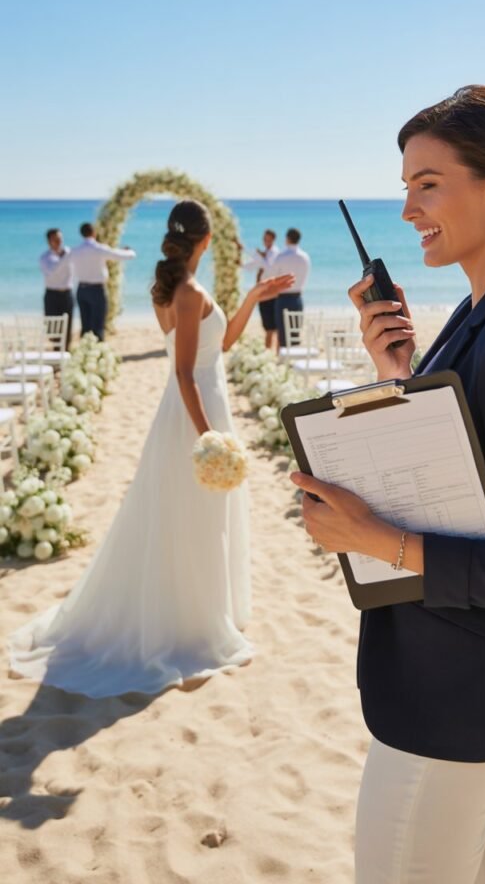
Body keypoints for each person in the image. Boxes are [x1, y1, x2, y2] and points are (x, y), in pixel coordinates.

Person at [291, 85, 485, 883]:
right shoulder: (481, 313)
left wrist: (370, 539)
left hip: (460, 700)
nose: (409, 209)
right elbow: (466, 475)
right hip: (470, 687)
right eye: (405, 188)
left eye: (428, 183)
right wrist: (397, 375)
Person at [9, 199, 295, 697]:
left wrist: (252, 297)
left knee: (197, 515)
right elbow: (184, 372)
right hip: (194, 411)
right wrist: (209, 434)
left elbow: (221, 345)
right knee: (190, 516)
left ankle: (207, 609)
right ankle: (187, 624)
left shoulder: (177, 288)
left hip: (202, 404)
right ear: (205, 240)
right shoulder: (186, 290)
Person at [70, 222, 137, 340]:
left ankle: (86, 350)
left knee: (85, 325)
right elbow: (121, 255)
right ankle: (97, 351)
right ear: (94, 233)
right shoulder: (99, 249)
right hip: (96, 290)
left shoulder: (75, 251)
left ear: (81, 234)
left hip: (81, 290)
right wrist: (130, 252)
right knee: (98, 325)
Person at [272, 228, 311, 348]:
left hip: (283, 299)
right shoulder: (305, 257)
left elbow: (275, 277)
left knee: (282, 334)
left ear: (287, 239)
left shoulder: (281, 256)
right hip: (297, 299)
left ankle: (284, 361)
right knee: (295, 333)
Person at [242, 228, 280, 351]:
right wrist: (240, 264)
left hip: (270, 294)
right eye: (264, 239)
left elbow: (266, 266)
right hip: (264, 294)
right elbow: (253, 265)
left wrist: (252, 252)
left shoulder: (274, 253)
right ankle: (269, 352)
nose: (265, 241)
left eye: (267, 239)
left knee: (273, 327)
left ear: (273, 239)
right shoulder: (266, 253)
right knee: (268, 326)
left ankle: (273, 353)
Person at [39, 228, 74, 350]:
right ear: (49, 241)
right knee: (52, 327)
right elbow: (52, 273)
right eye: (56, 239)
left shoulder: (69, 253)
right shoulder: (45, 258)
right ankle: (56, 351)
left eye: (60, 238)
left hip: (67, 294)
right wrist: (64, 259)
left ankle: (65, 353)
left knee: (68, 325)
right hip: (52, 294)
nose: (59, 241)